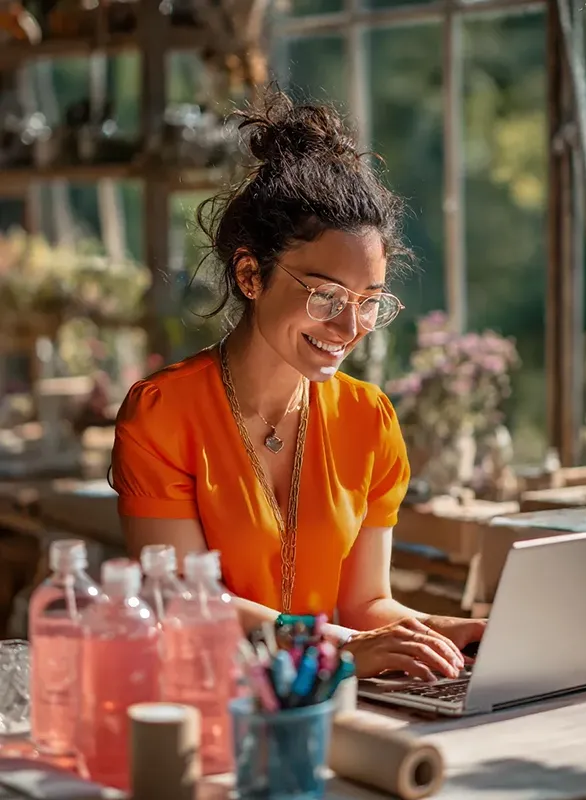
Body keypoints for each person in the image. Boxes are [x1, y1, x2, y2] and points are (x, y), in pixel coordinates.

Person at [111, 92, 485, 681]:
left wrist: (445, 631)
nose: (349, 327)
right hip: (205, 703)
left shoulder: (369, 420)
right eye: (326, 296)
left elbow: (365, 605)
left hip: (324, 698)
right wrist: (331, 648)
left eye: (368, 303)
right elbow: (180, 603)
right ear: (250, 274)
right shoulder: (161, 415)